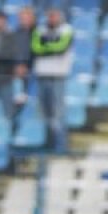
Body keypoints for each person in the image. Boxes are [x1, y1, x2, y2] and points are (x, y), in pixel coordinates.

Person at [32, 8, 73, 153]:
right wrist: (50, 47)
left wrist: (46, 46)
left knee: (58, 113)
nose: (52, 18)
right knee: (44, 113)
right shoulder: (40, 29)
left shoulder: (67, 30)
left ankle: (61, 145)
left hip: (58, 77)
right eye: (50, 15)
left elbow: (61, 47)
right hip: (42, 76)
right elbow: (36, 47)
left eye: (54, 15)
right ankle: (47, 144)